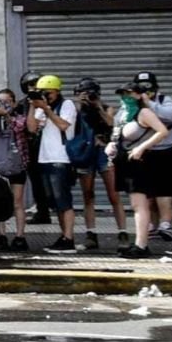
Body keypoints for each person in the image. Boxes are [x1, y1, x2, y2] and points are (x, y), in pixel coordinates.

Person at [108, 80, 171, 258]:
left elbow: (162, 131)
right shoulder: (123, 113)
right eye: (123, 94)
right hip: (125, 162)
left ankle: (141, 245)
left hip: (140, 163)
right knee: (136, 204)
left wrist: (142, 147)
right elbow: (117, 135)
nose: (125, 97)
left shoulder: (144, 112)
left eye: (130, 93)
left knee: (139, 205)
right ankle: (139, 243)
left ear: (139, 95)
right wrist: (111, 146)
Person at [72, 78, 129, 252]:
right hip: (85, 152)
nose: (88, 96)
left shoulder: (106, 107)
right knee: (88, 195)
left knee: (114, 195)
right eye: (84, 93)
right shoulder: (77, 110)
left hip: (104, 152)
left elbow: (111, 123)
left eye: (91, 93)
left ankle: (123, 234)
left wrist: (97, 106)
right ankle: (91, 235)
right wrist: (80, 105)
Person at [25, 75, 79, 253]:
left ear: (56, 91)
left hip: (61, 159)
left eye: (47, 93)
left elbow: (63, 125)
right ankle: (64, 236)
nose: (45, 96)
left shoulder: (67, 105)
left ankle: (69, 239)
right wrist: (33, 107)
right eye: (42, 93)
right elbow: (32, 128)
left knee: (64, 201)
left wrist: (46, 109)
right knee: (56, 203)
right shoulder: (42, 107)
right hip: (45, 158)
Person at [0, 89, 30, 252]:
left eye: (7, 101)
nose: (3, 105)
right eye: (0, 101)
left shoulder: (19, 116)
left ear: (14, 102)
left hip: (15, 165)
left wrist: (6, 115)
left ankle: (20, 236)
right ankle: (1, 235)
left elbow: (20, 128)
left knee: (17, 202)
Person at [15, 71, 54, 225]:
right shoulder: (22, 104)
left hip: (50, 146)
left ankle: (55, 207)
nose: (35, 88)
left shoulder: (48, 101)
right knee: (36, 181)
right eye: (31, 85)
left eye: (37, 84)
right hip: (31, 147)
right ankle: (43, 212)